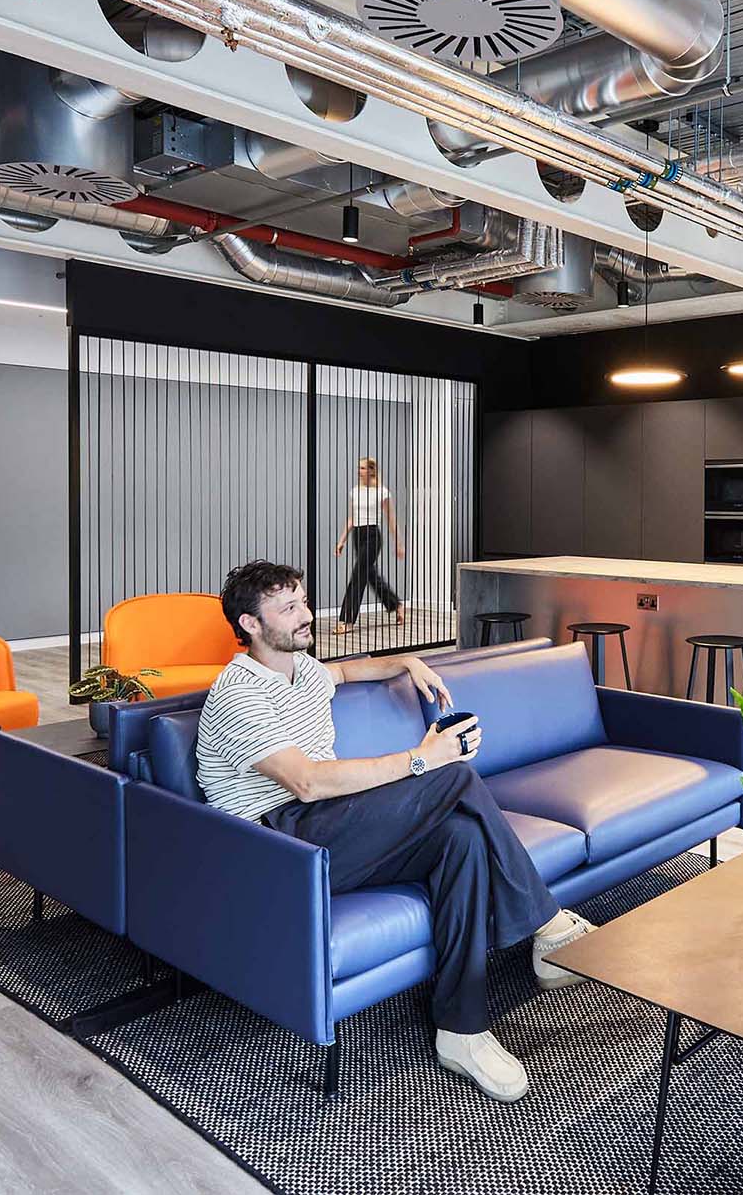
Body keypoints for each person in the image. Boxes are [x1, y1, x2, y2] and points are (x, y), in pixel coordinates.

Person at [195, 559, 595, 1102]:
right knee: (450, 772)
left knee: (463, 840)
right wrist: (420, 759)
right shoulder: (240, 693)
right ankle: (546, 922)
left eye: (304, 601)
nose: (306, 615)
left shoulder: (301, 669)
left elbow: (348, 671)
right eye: (288, 609)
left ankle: (462, 1029)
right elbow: (307, 783)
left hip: (329, 829)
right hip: (279, 844)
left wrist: (408, 660)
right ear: (249, 625)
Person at [332, 457, 403, 635]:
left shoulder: (382, 492)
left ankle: (346, 620)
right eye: (359, 468)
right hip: (358, 535)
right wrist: (342, 540)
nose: (360, 471)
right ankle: (395, 604)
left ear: (372, 470)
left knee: (358, 576)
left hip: (373, 536)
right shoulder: (355, 492)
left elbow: (391, 520)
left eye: (363, 468)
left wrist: (398, 543)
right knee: (369, 574)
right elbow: (351, 518)